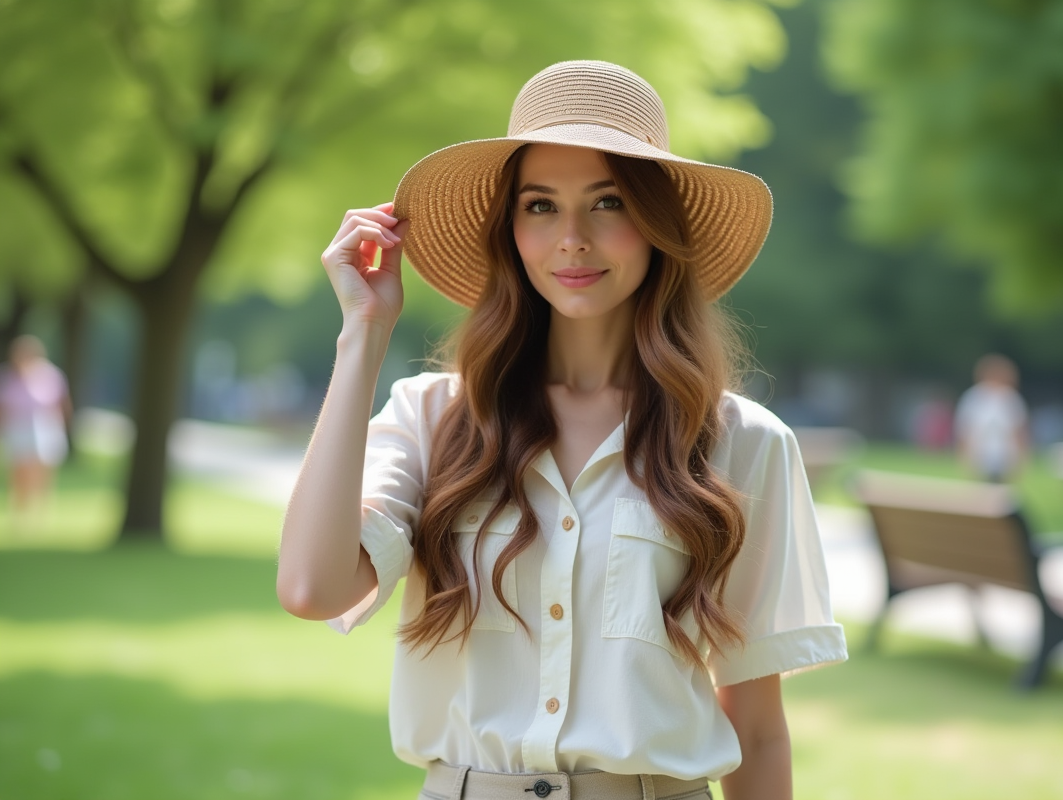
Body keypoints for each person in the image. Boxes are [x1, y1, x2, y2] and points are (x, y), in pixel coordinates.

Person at [277, 60, 847, 800]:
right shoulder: (430, 419)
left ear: (656, 226)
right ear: (510, 229)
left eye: (608, 202)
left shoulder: (744, 443)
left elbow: (760, 730)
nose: (572, 238)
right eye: (540, 206)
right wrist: (363, 333)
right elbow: (312, 587)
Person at [0, 334, 71, 524]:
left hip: (45, 426)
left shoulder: (51, 375)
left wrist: (63, 427)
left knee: (43, 469)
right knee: (19, 470)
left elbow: (62, 404)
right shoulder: (7, 377)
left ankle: (40, 510)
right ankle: (20, 511)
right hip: (18, 427)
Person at [954, 354, 1029, 482]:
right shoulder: (974, 397)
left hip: (1004, 455)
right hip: (980, 454)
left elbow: (1018, 431)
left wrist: (1020, 459)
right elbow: (965, 429)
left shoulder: (1011, 398)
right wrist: (965, 457)